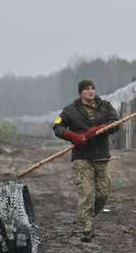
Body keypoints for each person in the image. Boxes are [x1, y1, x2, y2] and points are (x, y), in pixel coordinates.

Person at [52, 79, 121, 242]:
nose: (90, 91)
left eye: (93, 88)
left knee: (103, 193)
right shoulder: (70, 110)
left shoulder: (105, 106)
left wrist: (98, 130)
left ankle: (86, 216)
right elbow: (57, 127)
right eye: (87, 89)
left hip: (101, 155)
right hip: (82, 157)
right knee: (87, 193)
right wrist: (73, 136)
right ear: (80, 92)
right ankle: (87, 228)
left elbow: (116, 123)